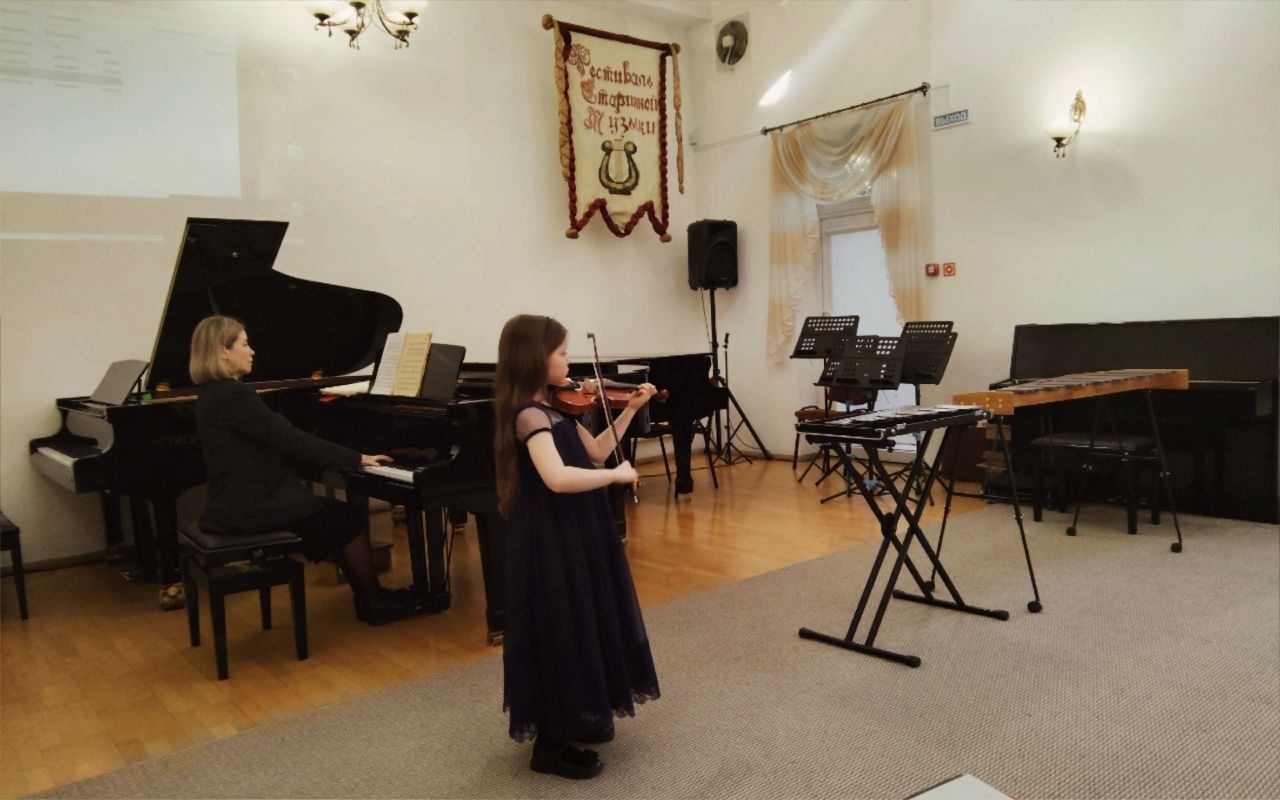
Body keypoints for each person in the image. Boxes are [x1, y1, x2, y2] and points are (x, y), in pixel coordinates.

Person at [494, 314, 661, 780]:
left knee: (582, 618)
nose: (570, 362)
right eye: (563, 353)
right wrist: (616, 476)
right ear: (536, 358)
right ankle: (549, 745)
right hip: (551, 536)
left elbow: (597, 452)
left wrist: (628, 410)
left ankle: (576, 717)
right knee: (559, 626)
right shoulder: (529, 416)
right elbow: (558, 478)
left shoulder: (553, 408)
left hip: (575, 530)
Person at [188, 315, 415, 626]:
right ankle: (374, 604)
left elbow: (275, 442)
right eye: (244, 344)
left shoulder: (210, 394)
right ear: (223, 351)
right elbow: (290, 439)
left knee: (335, 516)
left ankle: (371, 598)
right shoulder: (234, 395)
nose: (252, 351)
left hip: (234, 501)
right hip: (251, 506)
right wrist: (356, 457)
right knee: (347, 519)